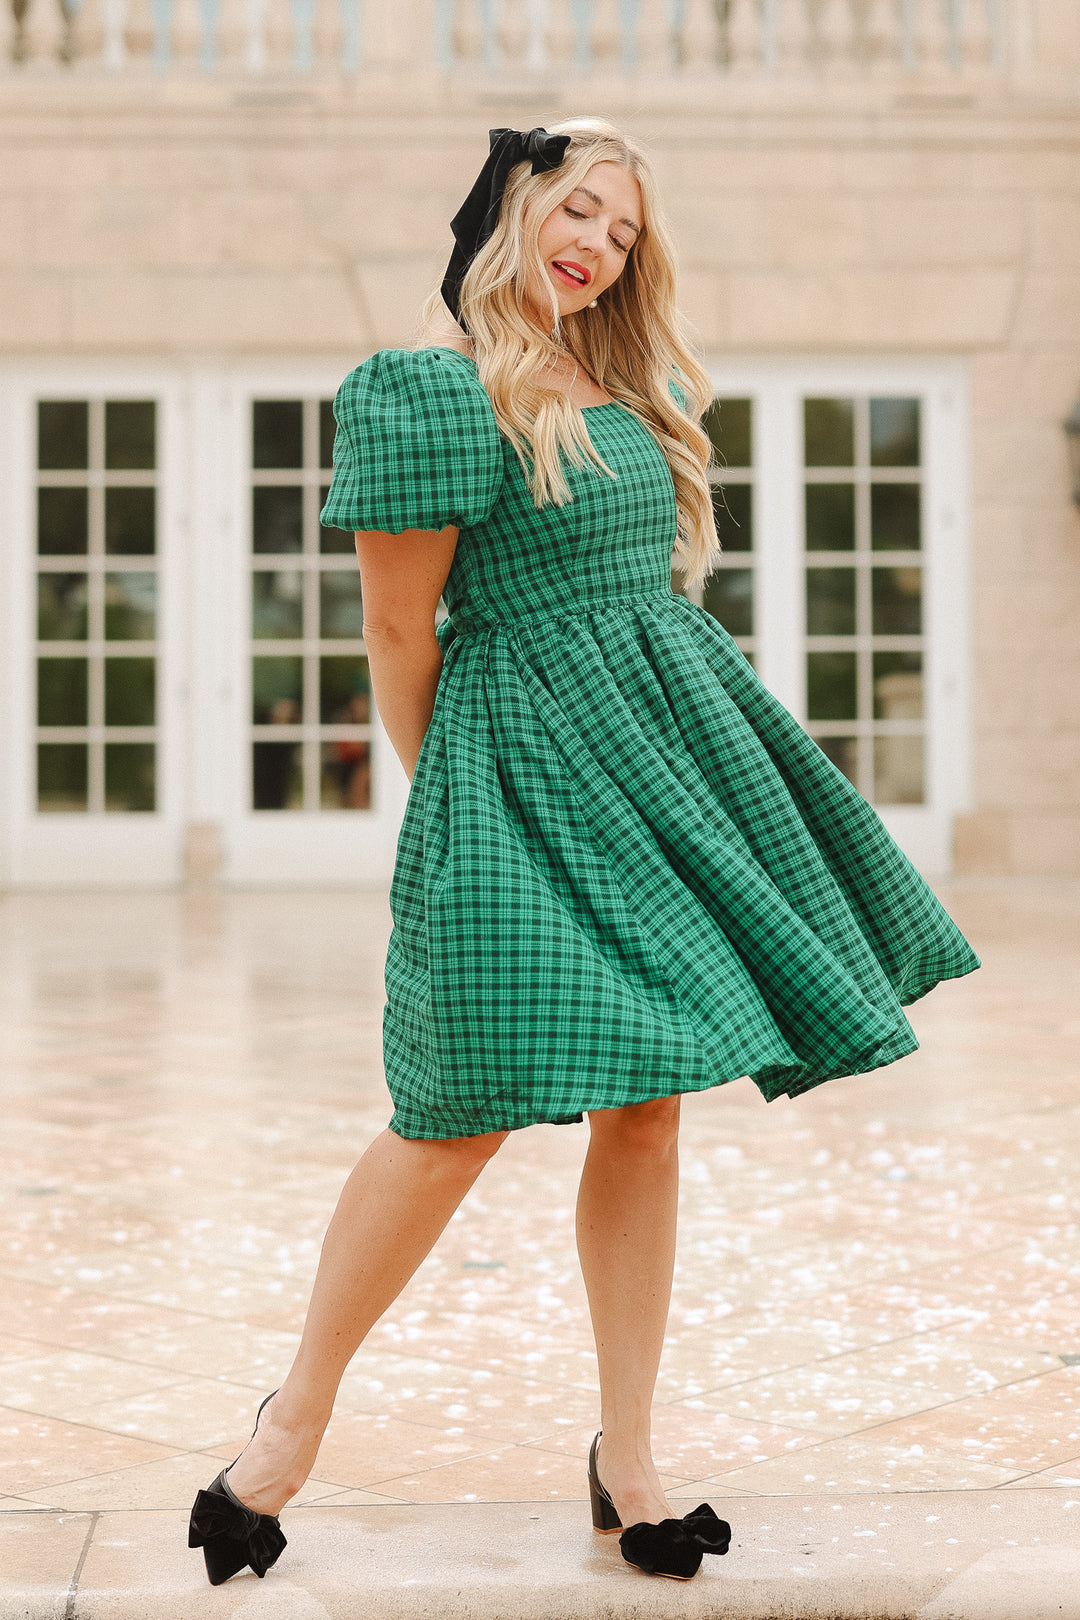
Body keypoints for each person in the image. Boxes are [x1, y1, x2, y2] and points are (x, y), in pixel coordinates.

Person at [188, 117, 979, 1586]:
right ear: (513, 209)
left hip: (663, 766)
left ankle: (629, 1454)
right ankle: (289, 1424)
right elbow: (397, 631)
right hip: (510, 775)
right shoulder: (428, 393)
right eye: (580, 211)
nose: (600, 245)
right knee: (456, 1110)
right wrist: (453, 805)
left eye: (624, 232)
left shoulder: (630, 385)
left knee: (651, 1112)